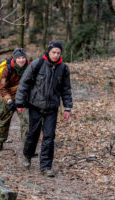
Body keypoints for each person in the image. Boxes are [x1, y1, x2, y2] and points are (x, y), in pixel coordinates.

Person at [15, 41, 73, 177]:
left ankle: (46, 166)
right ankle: (27, 157)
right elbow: (24, 83)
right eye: (53, 52)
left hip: (52, 108)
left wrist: (67, 107)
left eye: (58, 53)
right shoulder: (37, 64)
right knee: (33, 133)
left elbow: (66, 89)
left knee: (49, 136)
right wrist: (20, 103)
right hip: (35, 105)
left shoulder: (63, 69)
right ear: (48, 52)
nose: (56, 55)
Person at [0, 48, 30, 151]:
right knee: (4, 120)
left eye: (23, 57)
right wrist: (9, 101)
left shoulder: (30, 67)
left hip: (23, 98)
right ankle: (0, 141)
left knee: (26, 122)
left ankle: (27, 146)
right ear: (15, 59)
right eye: (19, 58)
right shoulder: (7, 69)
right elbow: (2, 88)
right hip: (8, 97)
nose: (21, 60)